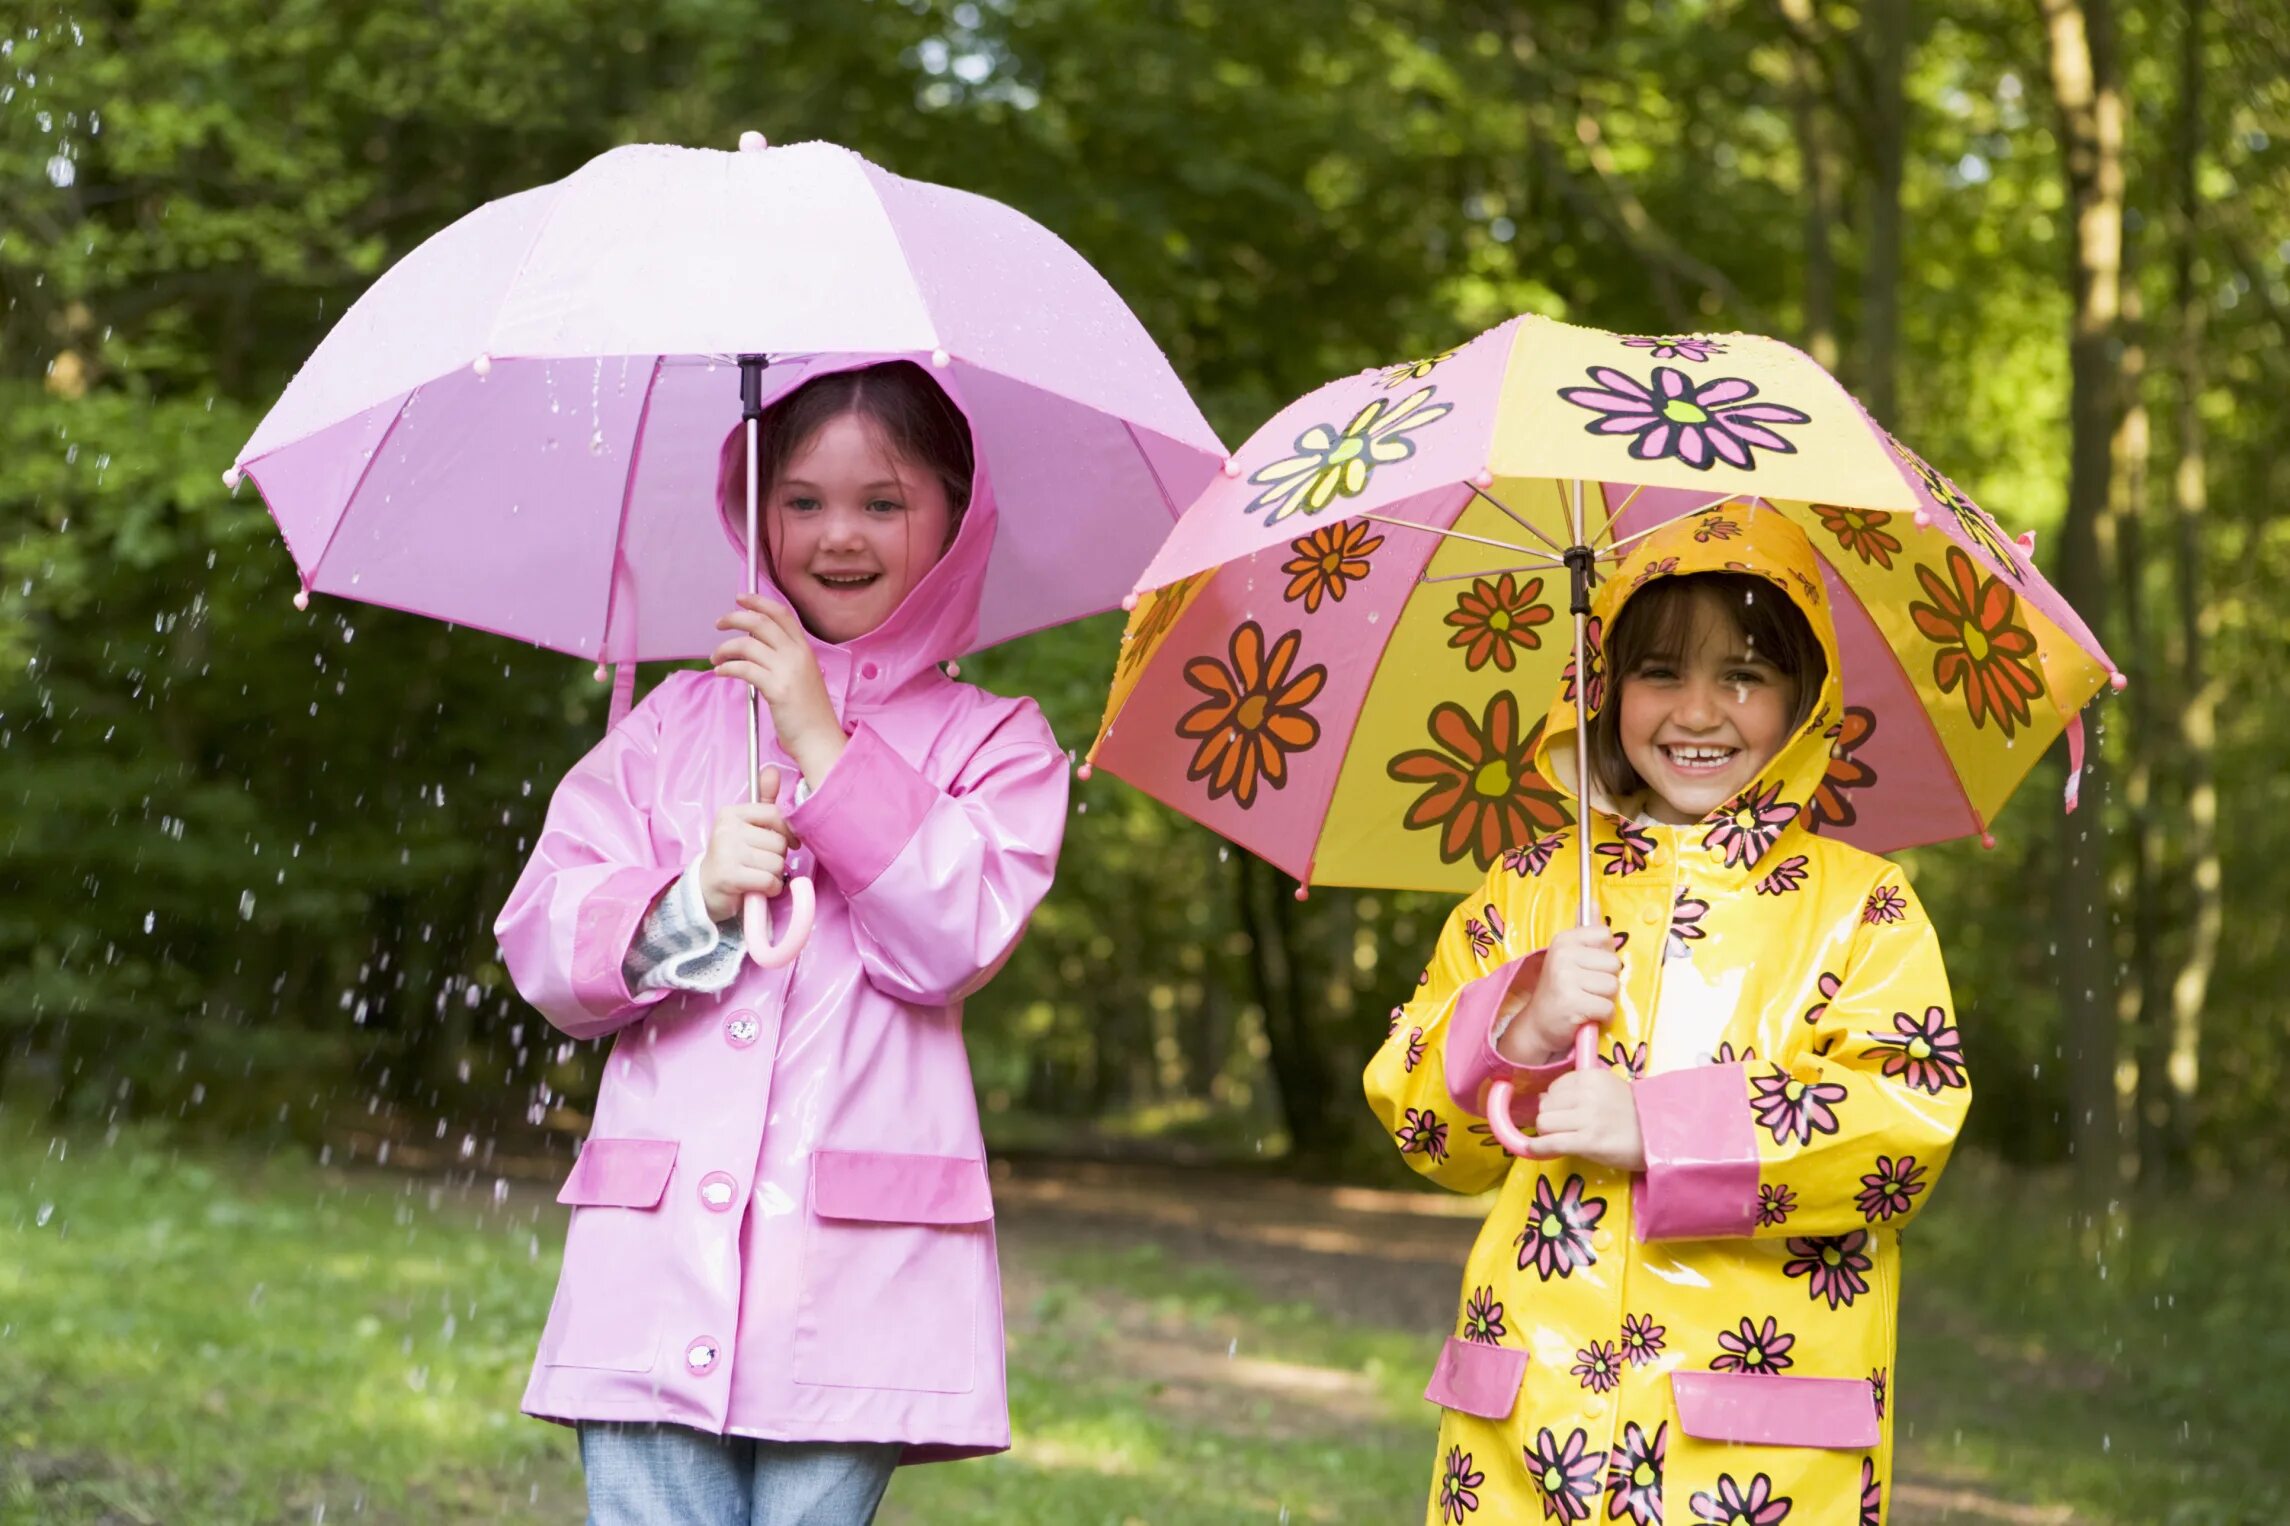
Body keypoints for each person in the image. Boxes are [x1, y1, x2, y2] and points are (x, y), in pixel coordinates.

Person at [496, 360, 1069, 1525]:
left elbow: (948, 938)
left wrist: (821, 737)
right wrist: (687, 895)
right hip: (654, 1266)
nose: (838, 535)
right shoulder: (670, 726)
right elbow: (544, 941)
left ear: (955, 519)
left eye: (883, 502)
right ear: (754, 511)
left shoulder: (996, 744)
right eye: (801, 500)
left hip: (857, 1274)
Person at [1365, 503, 1966, 1526]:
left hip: (1748, 1440)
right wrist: (1525, 1022)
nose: (1697, 711)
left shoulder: (1861, 906)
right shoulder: (1530, 889)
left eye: (1741, 674)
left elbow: (1900, 1125)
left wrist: (1658, 1129)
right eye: (1657, 672)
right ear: (1601, 690)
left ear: (1805, 697)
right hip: (1533, 1419)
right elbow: (1427, 1127)